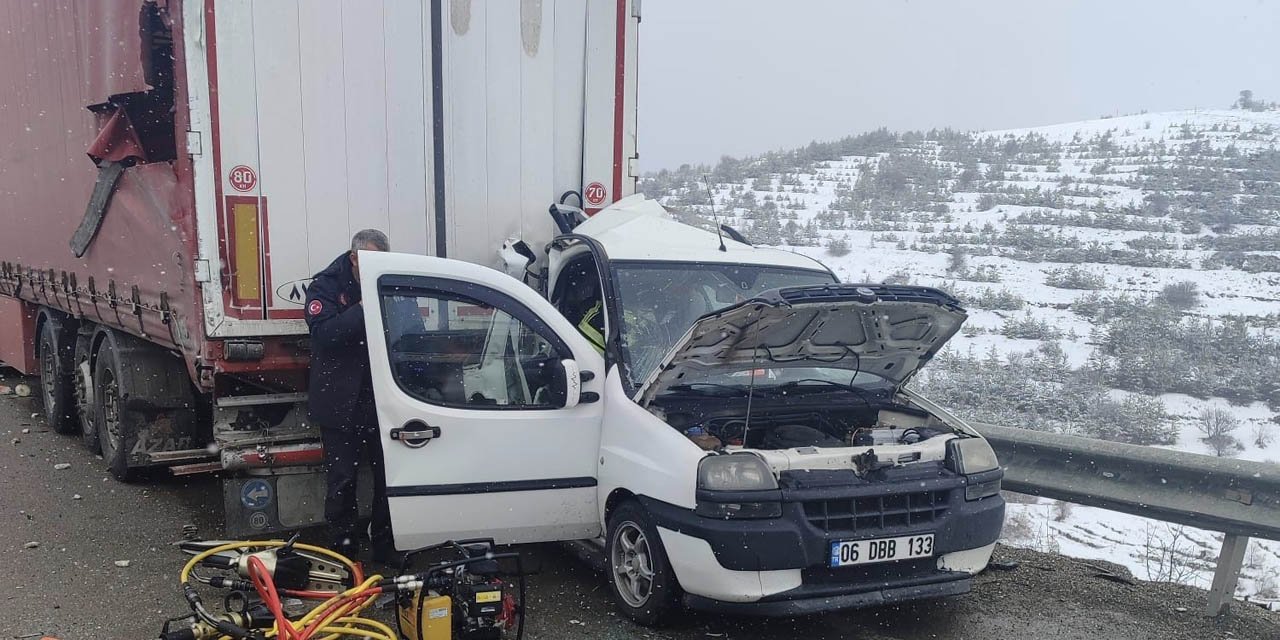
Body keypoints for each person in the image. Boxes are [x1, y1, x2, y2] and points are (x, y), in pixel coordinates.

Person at [305, 229, 395, 562]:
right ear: (354, 258)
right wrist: (362, 307)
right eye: (370, 262)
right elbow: (325, 334)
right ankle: (345, 554)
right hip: (339, 401)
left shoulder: (387, 279)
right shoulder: (325, 286)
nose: (376, 268)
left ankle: (386, 548)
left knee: (389, 480)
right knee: (342, 482)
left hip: (381, 401)